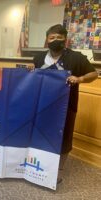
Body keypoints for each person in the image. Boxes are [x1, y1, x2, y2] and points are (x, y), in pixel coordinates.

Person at [33, 24, 98, 183]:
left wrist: (80, 79)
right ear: (47, 40)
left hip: (66, 106)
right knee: (41, 134)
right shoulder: (39, 58)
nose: (55, 40)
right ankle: (39, 165)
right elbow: (34, 79)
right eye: (52, 37)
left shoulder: (76, 57)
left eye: (59, 38)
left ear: (65, 40)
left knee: (65, 137)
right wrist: (30, 70)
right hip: (42, 105)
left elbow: (94, 74)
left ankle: (58, 171)